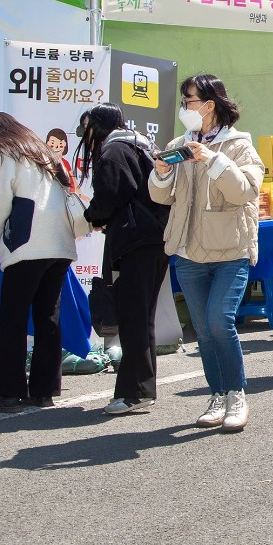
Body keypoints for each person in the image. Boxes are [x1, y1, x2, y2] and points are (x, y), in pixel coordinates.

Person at [150, 74, 264, 431]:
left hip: (231, 249)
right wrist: (162, 173)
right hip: (188, 251)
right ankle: (217, 393)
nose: (185, 109)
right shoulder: (178, 143)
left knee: (219, 321)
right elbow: (160, 196)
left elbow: (244, 191)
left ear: (209, 105)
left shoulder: (240, 145)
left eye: (189, 101)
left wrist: (213, 160)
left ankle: (237, 394)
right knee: (202, 328)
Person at [0, 112, 85, 413]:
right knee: (48, 317)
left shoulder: (2, 153)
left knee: (13, 318)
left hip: (26, 244)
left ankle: (8, 391)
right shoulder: (40, 152)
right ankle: (44, 389)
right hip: (60, 245)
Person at [78, 104, 170, 415]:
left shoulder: (114, 151)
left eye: (85, 128)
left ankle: (134, 392)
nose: (84, 136)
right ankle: (142, 388)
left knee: (133, 316)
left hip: (134, 241)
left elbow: (109, 196)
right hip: (156, 239)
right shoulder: (139, 145)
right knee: (142, 317)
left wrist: (91, 216)